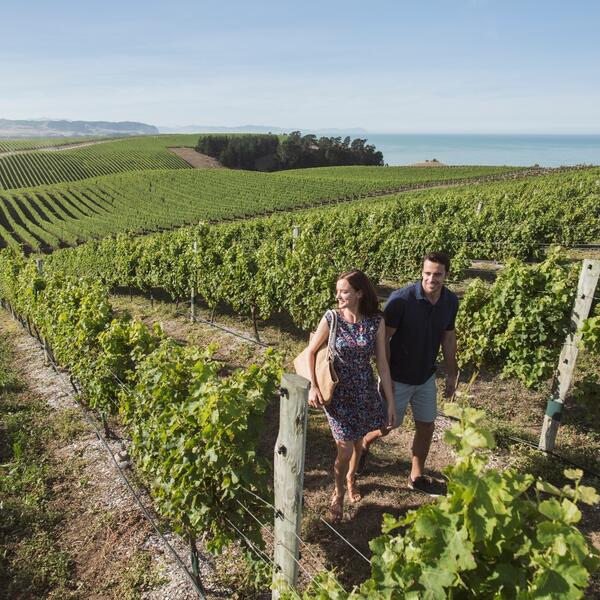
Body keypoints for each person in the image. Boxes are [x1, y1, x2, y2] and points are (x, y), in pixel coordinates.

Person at [359, 252, 459, 496]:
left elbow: (448, 338)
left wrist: (451, 372)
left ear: (447, 275)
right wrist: (385, 377)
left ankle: (416, 476)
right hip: (397, 376)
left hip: (425, 376)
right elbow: (383, 339)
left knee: (426, 426)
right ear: (421, 272)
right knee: (387, 426)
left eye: (437, 274)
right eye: (427, 273)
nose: (431, 279)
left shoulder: (450, 301)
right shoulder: (401, 300)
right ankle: (363, 442)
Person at [307, 270, 395, 521]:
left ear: (359, 293)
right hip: (337, 393)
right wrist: (314, 386)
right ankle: (338, 492)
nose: (338, 296)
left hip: (364, 390)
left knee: (357, 443)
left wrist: (389, 402)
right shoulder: (332, 318)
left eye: (344, 291)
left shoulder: (376, 321)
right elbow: (311, 352)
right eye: (337, 291)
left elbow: (382, 364)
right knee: (344, 449)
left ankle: (350, 478)